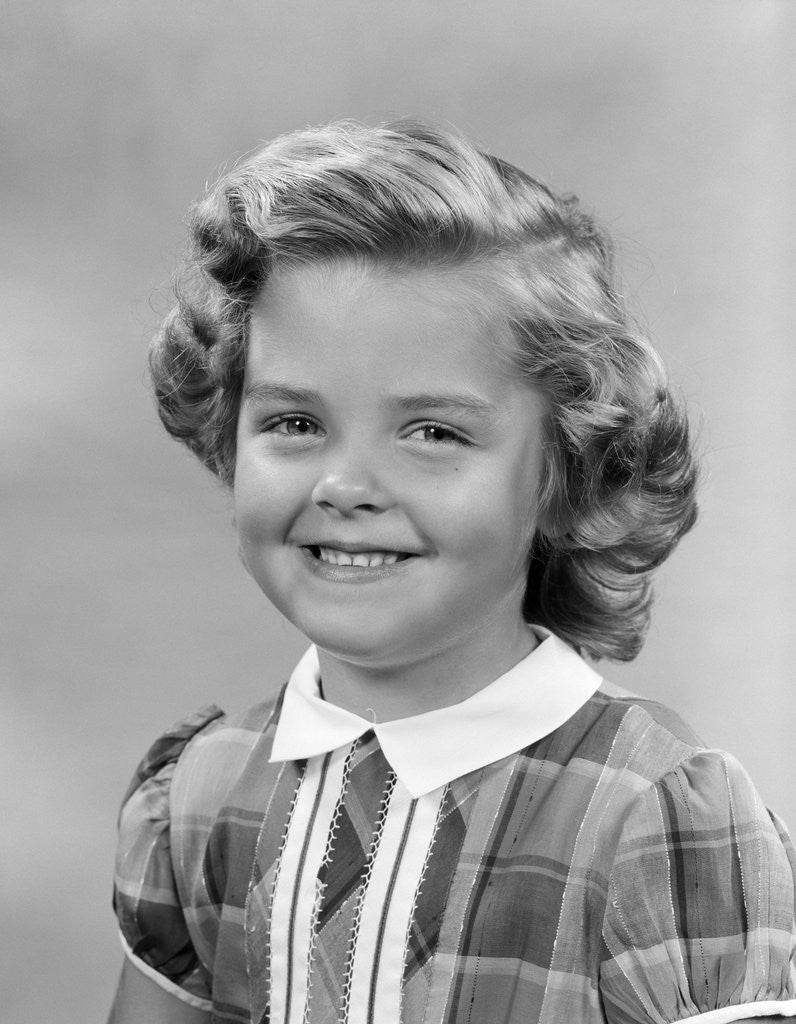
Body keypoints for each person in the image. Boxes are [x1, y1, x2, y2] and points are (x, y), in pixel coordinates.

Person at [107, 120, 796, 1024]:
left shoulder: (653, 817)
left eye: (434, 433)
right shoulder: (202, 796)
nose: (346, 486)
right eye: (295, 424)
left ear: (564, 474)